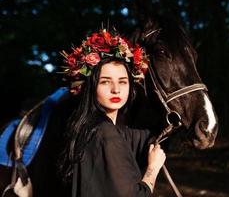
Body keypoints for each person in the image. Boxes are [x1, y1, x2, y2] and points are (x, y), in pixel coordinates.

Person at [60, 28, 166, 197]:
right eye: (105, 82)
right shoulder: (105, 133)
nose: (116, 89)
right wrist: (152, 169)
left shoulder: (87, 126)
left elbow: (132, 136)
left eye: (123, 82)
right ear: (91, 87)